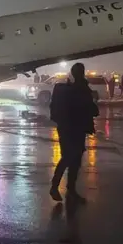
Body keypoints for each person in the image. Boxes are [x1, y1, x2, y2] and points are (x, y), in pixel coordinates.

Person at [49, 62, 99, 202]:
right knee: (71, 159)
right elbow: (93, 110)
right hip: (76, 129)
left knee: (69, 159)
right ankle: (60, 188)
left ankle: (65, 189)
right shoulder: (81, 89)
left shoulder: (68, 89)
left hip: (66, 129)